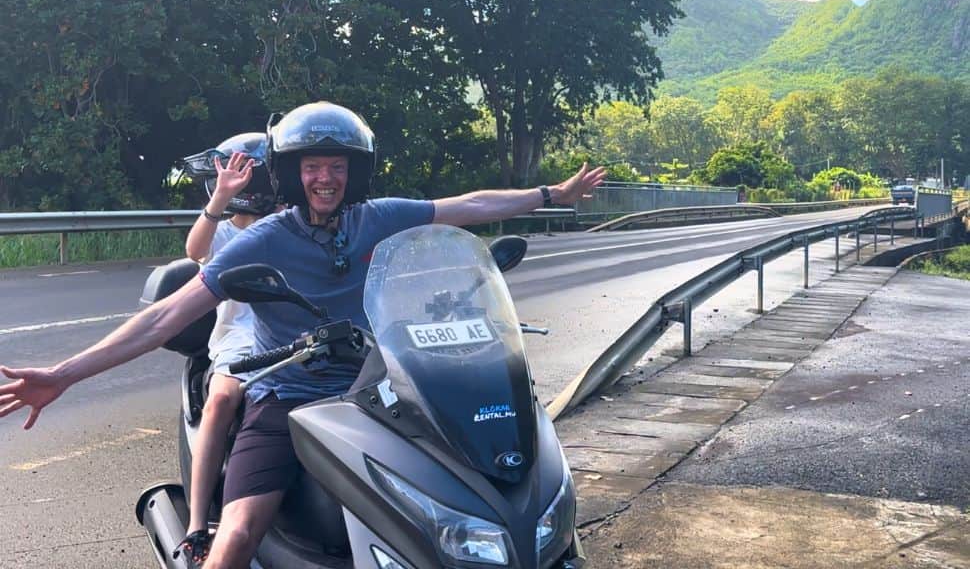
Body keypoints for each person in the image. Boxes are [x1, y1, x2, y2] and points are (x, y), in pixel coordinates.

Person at [0, 101, 605, 569]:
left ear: (354, 172)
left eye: (336, 166)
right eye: (312, 167)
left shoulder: (379, 217)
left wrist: (552, 194)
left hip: (379, 393)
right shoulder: (268, 237)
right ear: (291, 174)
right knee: (237, 536)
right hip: (287, 397)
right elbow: (167, 315)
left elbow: (468, 207)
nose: (325, 178)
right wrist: (61, 375)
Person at [177, 132, 278, 566]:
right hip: (240, 336)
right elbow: (195, 249)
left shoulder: (288, 220)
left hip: (293, 332)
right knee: (220, 398)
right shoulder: (222, 232)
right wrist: (218, 201)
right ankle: (198, 521)